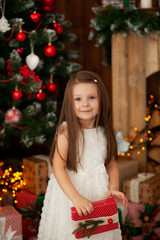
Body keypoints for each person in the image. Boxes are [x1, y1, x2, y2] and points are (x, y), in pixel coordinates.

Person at [37, 70, 128, 240]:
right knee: (71, 234)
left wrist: (113, 188)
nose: (85, 104)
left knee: (97, 234)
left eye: (91, 97)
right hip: (71, 194)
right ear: (70, 103)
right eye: (78, 99)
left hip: (98, 193)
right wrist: (76, 198)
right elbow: (58, 167)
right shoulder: (67, 132)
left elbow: (111, 165)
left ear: (101, 99)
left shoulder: (104, 133)